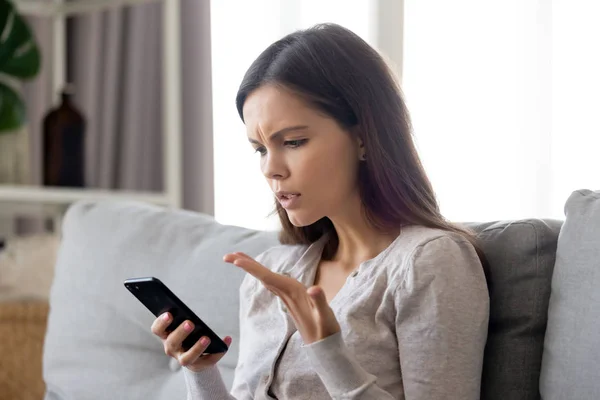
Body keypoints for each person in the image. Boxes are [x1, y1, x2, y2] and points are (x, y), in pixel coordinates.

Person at [151, 23, 490, 399]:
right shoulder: (272, 272)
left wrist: (329, 351)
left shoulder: (429, 262)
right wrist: (201, 371)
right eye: (260, 149)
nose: (270, 168)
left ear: (363, 138)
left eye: (293, 141)